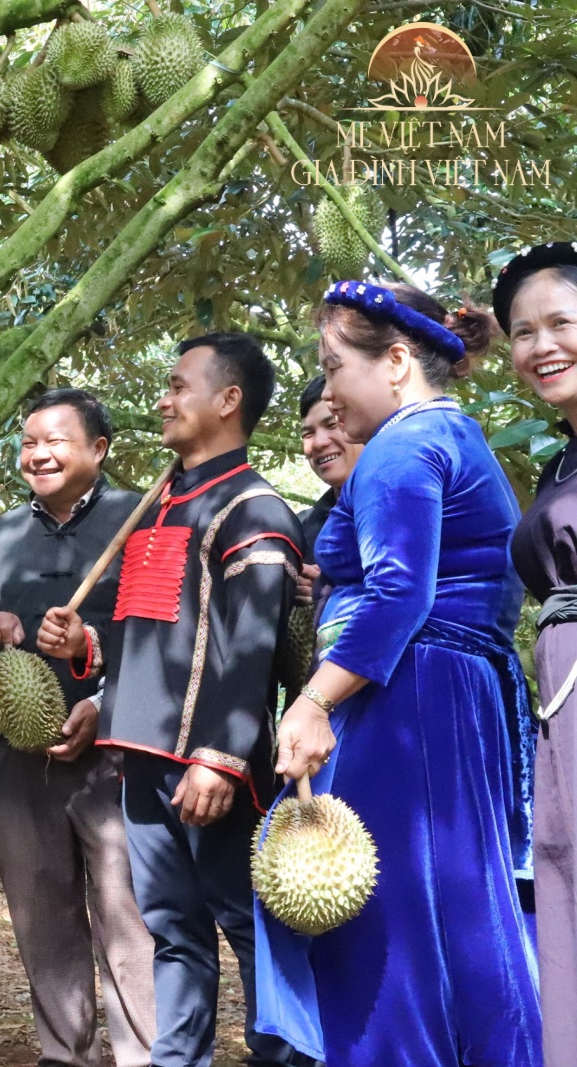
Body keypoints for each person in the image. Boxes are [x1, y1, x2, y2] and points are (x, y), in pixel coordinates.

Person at [260, 280, 540, 1066]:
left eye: (333, 365)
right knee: (459, 915)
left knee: (392, 931)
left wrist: (313, 701)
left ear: (394, 361)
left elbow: (398, 590)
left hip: (407, 695)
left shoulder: (402, 446)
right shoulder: (450, 432)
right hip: (449, 689)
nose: (330, 390)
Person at [40, 333, 305, 1067]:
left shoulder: (254, 509)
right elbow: (152, 632)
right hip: (141, 753)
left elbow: (248, 649)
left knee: (250, 922)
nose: (163, 398)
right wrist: (87, 659)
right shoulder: (161, 506)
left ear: (228, 400)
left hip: (206, 765)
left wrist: (218, 759)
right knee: (173, 928)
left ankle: (282, 1057)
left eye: (178, 385)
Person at [0, 388, 155, 1067]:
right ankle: (66, 1053)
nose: (37, 453)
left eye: (56, 439)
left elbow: (164, 635)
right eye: (28, 441)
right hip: (20, 756)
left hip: (116, 752)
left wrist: (102, 698)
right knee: (42, 915)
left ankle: (141, 1055)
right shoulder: (4, 531)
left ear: (98, 448)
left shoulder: (141, 519)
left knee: (127, 919)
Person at [499, 241, 577, 1065]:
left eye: (561, 323)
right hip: (559, 709)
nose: (541, 345)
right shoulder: (560, 458)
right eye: (524, 332)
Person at [295, 375, 362, 621]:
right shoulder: (299, 529)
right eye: (308, 433)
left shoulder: (412, 510)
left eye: (332, 424)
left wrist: (329, 591)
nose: (319, 443)